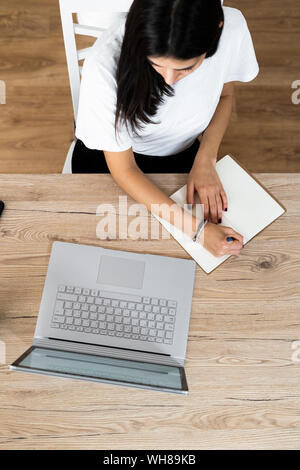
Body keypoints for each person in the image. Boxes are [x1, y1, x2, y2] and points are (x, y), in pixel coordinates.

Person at [73, 0, 259, 257]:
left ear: (217, 30)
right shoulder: (103, 65)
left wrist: (206, 158)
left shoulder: (233, 28)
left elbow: (225, 97)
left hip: (184, 156)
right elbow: (124, 170)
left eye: (186, 68)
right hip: (110, 164)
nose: (169, 80)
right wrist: (198, 231)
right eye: (156, 64)